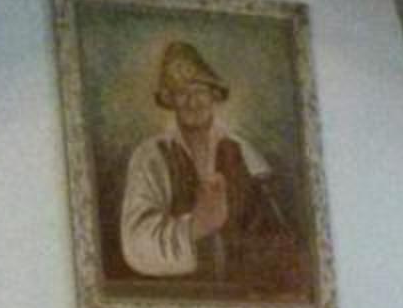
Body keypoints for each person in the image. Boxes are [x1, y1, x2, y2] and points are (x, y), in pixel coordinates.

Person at [111, 40, 303, 290]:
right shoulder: (150, 156)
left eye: (200, 91)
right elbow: (136, 242)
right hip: (176, 294)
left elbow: (277, 237)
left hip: (243, 294)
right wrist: (196, 226)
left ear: (214, 95)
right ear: (171, 100)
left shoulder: (244, 152)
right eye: (182, 93)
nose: (193, 102)